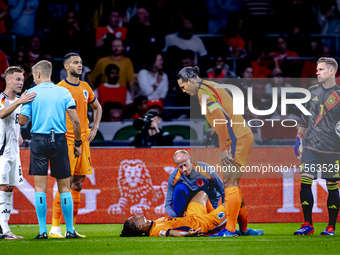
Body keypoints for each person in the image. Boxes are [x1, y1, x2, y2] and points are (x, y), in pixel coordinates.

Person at [177, 66, 263, 237]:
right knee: (233, 185)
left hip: (236, 139)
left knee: (230, 184)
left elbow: (221, 119)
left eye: (183, 86)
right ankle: (244, 230)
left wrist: (224, 148)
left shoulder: (203, 93)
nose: (183, 91)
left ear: (190, 80)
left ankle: (230, 230)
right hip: (241, 135)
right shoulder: (210, 85)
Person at [18, 60, 82, 239]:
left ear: (37, 75)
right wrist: (77, 143)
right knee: (64, 187)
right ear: (50, 73)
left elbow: (22, 121)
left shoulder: (31, 93)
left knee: (40, 187)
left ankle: (42, 231)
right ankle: (69, 230)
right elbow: (75, 121)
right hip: (60, 140)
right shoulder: (63, 92)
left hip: (39, 140)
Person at [49, 53, 102, 238]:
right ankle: (55, 228)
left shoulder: (86, 87)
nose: (80, 66)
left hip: (84, 141)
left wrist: (95, 127)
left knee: (78, 184)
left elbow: (98, 107)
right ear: (66, 66)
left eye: (81, 62)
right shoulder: (59, 88)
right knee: (65, 183)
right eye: (75, 63)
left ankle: (71, 229)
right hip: (67, 141)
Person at [294, 57, 340, 236]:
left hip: (333, 149)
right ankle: (307, 224)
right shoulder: (311, 91)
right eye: (317, 69)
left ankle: (331, 227)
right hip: (311, 147)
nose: (317, 72)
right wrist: (298, 138)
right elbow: (304, 118)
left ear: (331, 71)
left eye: (321, 69)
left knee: (332, 187)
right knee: (305, 183)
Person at [0, 66, 36, 239]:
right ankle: (3, 228)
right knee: (2, 186)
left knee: (10, 187)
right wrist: (19, 102)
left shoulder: (20, 103)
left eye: (22, 79)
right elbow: (1, 114)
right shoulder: (1, 98)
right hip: (1, 152)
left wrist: (20, 136)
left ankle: (5, 227)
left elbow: (15, 122)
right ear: (7, 80)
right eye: (17, 79)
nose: (21, 82)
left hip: (14, 152)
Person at [120, 190, 227, 237]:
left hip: (192, 217)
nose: (135, 215)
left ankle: (217, 220)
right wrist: (187, 234)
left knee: (202, 193)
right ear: (140, 226)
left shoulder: (155, 223)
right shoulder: (156, 230)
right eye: (133, 218)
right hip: (201, 225)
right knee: (234, 200)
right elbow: (171, 233)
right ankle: (215, 223)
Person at [165, 150, 225, 217]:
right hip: (190, 206)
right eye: (180, 167)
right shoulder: (174, 177)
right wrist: (175, 218)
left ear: (190, 160)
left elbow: (224, 190)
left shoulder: (205, 169)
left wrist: (223, 211)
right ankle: (180, 219)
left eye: (185, 165)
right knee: (179, 188)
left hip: (210, 203)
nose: (184, 169)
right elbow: (168, 204)